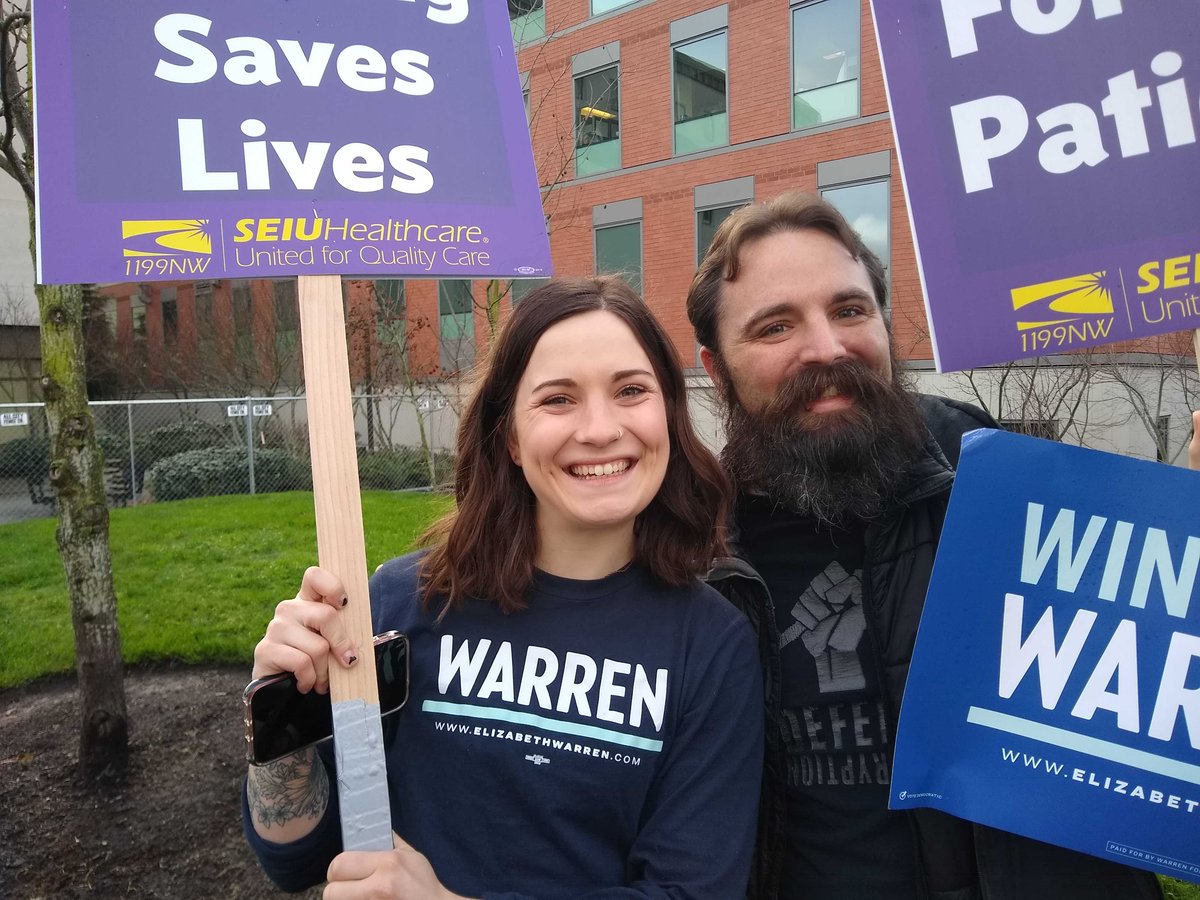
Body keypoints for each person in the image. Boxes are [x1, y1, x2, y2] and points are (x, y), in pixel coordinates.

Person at [686, 190, 1164, 900]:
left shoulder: (1015, 496)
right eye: (775, 327)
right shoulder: (698, 558)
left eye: (850, 310)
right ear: (717, 368)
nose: (828, 347)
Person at [243, 277, 764, 898]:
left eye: (631, 391)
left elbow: (689, 890)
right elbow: (297, 856)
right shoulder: (405, 601)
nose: (600, 429)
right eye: (558, 400)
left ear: (670, 417)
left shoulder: (711, 643)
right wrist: (279, 711)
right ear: (511, 438)